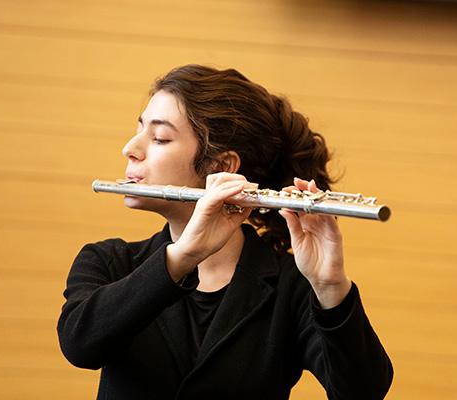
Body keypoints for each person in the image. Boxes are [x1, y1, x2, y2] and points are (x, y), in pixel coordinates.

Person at [57, 64, 393, 399]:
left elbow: (362, 392)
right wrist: (183, 257)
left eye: (159, 138)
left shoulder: (292, 287)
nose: (130, 148)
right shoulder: (109, 261)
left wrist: (331, 286)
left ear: (221, 166)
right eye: (140, 129)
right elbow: (81, 344)